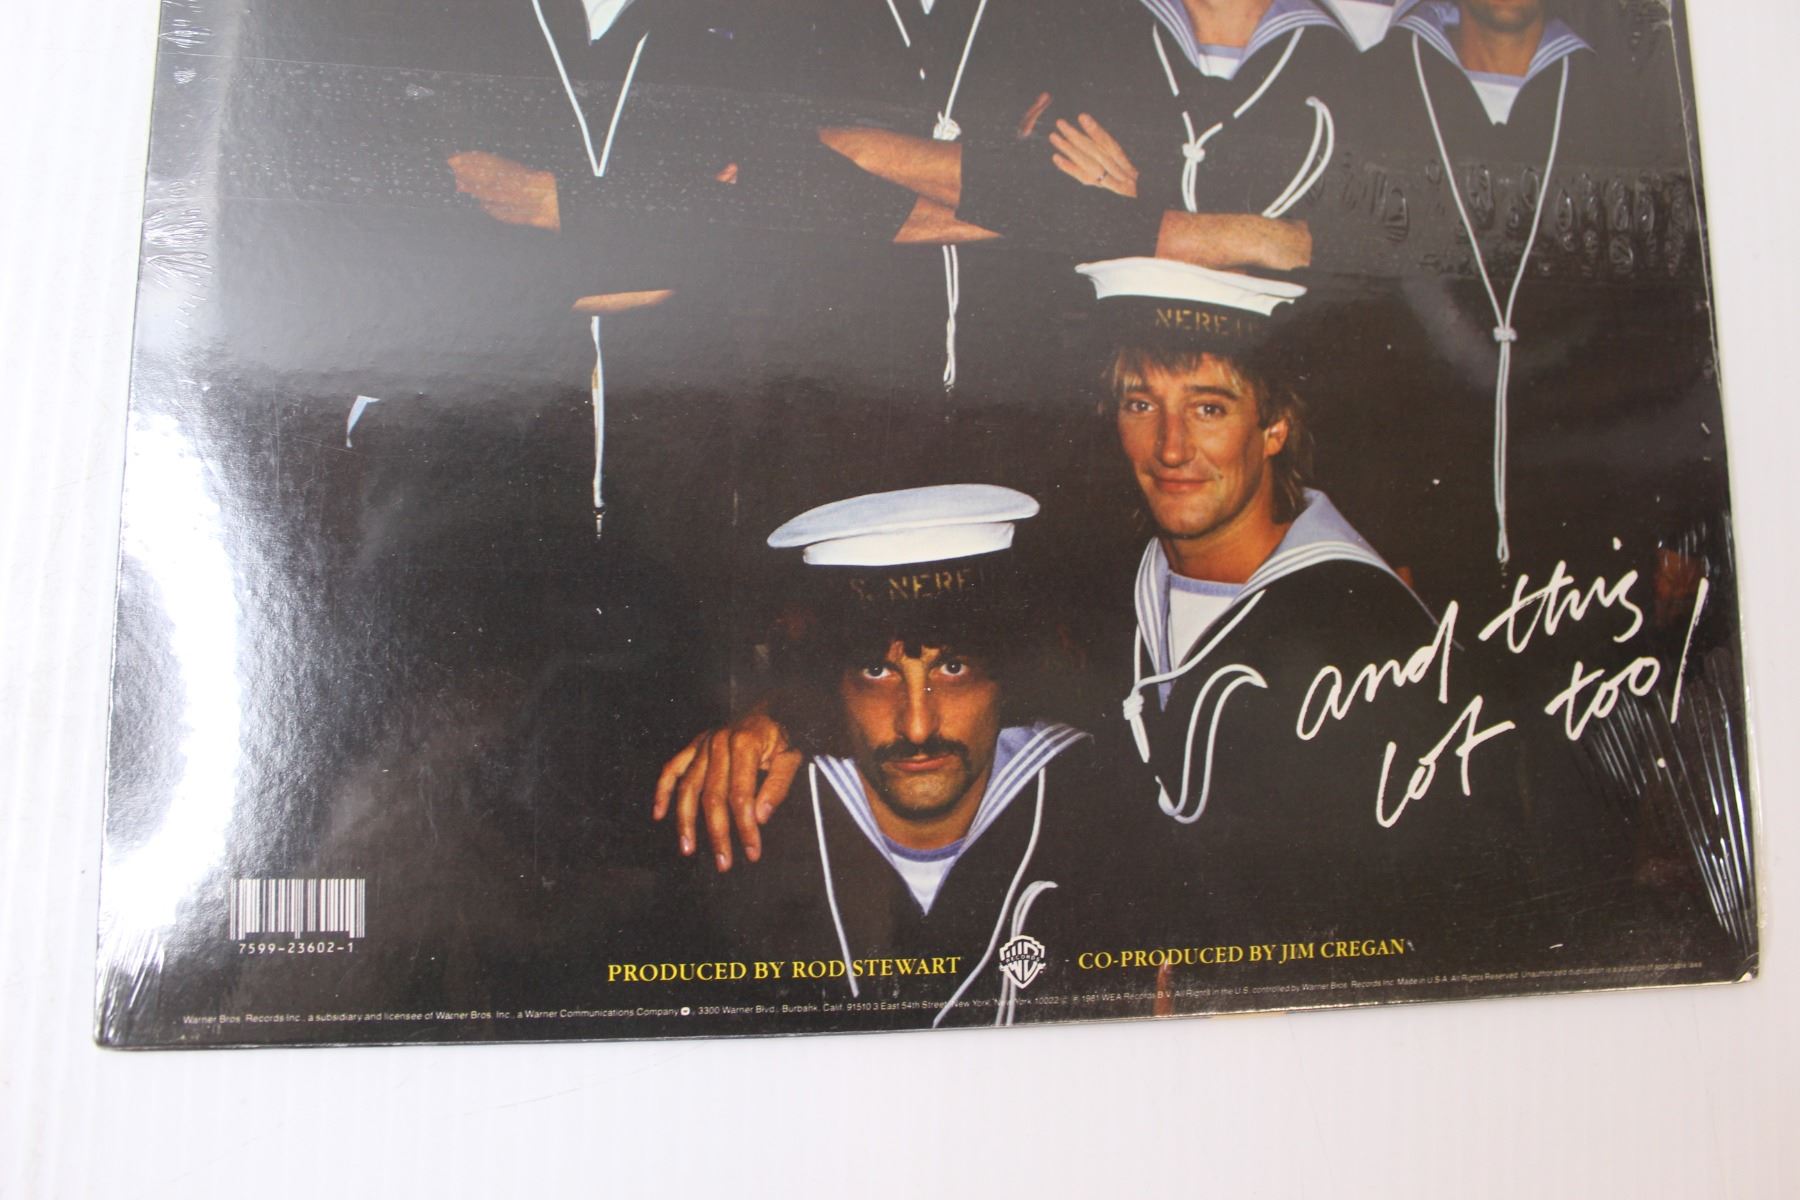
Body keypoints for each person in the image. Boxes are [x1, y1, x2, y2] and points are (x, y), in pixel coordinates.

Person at [682, 484, 1119, 1028]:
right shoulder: (751, 830)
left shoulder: (1099, 812)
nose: (916, 727)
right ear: (830, 683)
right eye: (877, 671)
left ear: (1008, 676)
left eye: (953, 669)